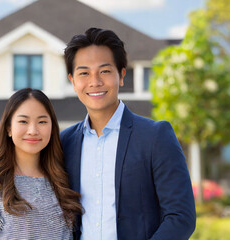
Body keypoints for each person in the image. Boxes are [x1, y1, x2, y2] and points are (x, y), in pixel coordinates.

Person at [60, 28, 196, 240]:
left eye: (104, 71)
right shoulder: (64, 143)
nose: (94, 81)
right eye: (84, 73)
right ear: (72, 80)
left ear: (122, 75)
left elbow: (181, 217)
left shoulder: (155, 136)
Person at [0, 88, 83, 240]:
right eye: (23, 121)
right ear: (9, 128)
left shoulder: (63, 179)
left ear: (52, 128)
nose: (33, 130)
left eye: (42, 121)